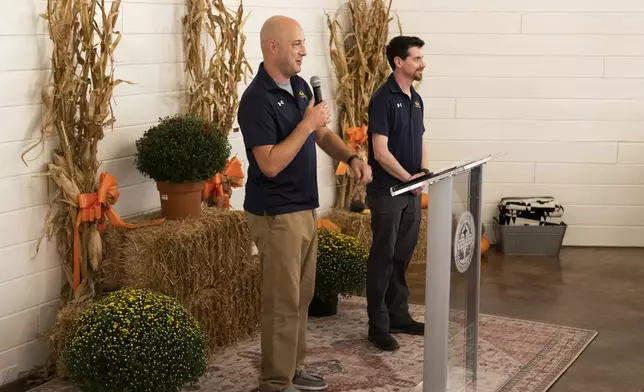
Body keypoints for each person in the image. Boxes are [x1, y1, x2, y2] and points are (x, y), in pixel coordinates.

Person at [237, 15, 373, 392]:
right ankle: (274, 382)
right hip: (276, 212)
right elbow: (270, 163)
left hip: (303, 207)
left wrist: (352, 158)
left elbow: (321, 135)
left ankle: (292, 369)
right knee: (282, 300)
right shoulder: (256, 101)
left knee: (301, 295)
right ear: (272, 47)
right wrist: (306, 122)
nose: (304, 50)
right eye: (296, 43)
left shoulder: (298, 86)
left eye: (303, 43)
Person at [364, 35, 429, 351]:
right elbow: (380, 151)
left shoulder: (415, 99)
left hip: (410, 192)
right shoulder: (383, 99)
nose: (422, 63)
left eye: (421, 58)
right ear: (398, 62)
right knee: (383, 258)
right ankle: (377, 326)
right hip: (388, 192)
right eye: (416, 58)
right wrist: (408, 179)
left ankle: (398, 315)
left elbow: (421, 140)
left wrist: (424, 173)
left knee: (402, 257)